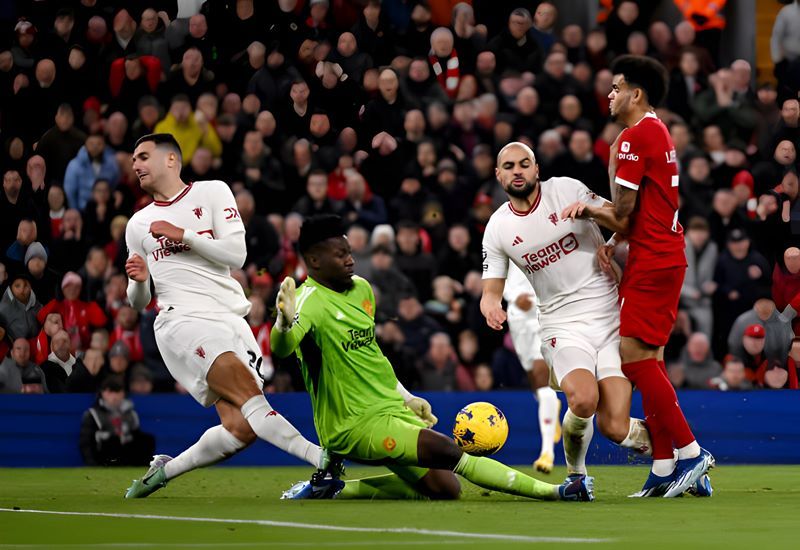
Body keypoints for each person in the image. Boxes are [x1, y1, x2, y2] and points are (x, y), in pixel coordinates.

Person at [274, 214, 593, 502]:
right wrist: (283, 324)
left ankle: (334, 489)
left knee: (445, 488)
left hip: (388, 408)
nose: (350, 260)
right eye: (340, 255)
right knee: (447, 450)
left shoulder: (362, 289)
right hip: (354, 426)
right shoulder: (307, 302)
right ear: (314, 261)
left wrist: (406, 397)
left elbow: (370, 355)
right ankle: (559, 492)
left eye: (350, 252)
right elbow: (282, 348)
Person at [123, 134, 326, 499]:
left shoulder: (213, 192)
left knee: (241, 428)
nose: (135, 165)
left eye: (143, 156)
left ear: (171, 160)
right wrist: (138, 283)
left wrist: (182, 234)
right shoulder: (138, 224)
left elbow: (236, 254)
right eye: (133, 159)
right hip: (181, 321)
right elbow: (138, 300)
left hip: (230, 319)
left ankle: (163, 472)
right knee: (253, 399)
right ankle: (322, 461)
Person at [561, 55, 714, 498]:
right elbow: (646, 211)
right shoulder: (658, 130)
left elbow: (624, 213)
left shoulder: (634, 136)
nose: (609, 95)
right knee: (653, 361)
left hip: (654, 260)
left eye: (616, 87)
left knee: (633, 360)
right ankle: (664, 465)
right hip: (662, 254)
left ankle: (691, 452)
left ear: (636, 93)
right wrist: (617, 243)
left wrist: (589, 209)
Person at [480, 142, 652, 493]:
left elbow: (623, 221)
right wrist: (491, 306)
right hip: (562, 325)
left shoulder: (567, 189)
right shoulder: (497, 227)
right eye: (509, 166)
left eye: (524, 164)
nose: (517, 171)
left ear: (536, 169)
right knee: (583, 399)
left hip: (610, 318)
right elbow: (490, 290)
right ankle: (576, 474)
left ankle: (677, 453)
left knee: (615, 427)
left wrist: (592, 215)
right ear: (498, 175)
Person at [503, 260, 562, 473]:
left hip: (543, 311)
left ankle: (547, 452)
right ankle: (550, 405)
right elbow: (494, 270)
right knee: (533, 378)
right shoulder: (500, 232)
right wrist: (512, 297)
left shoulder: (549, 228)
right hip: (517, 316)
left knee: (540, 375)